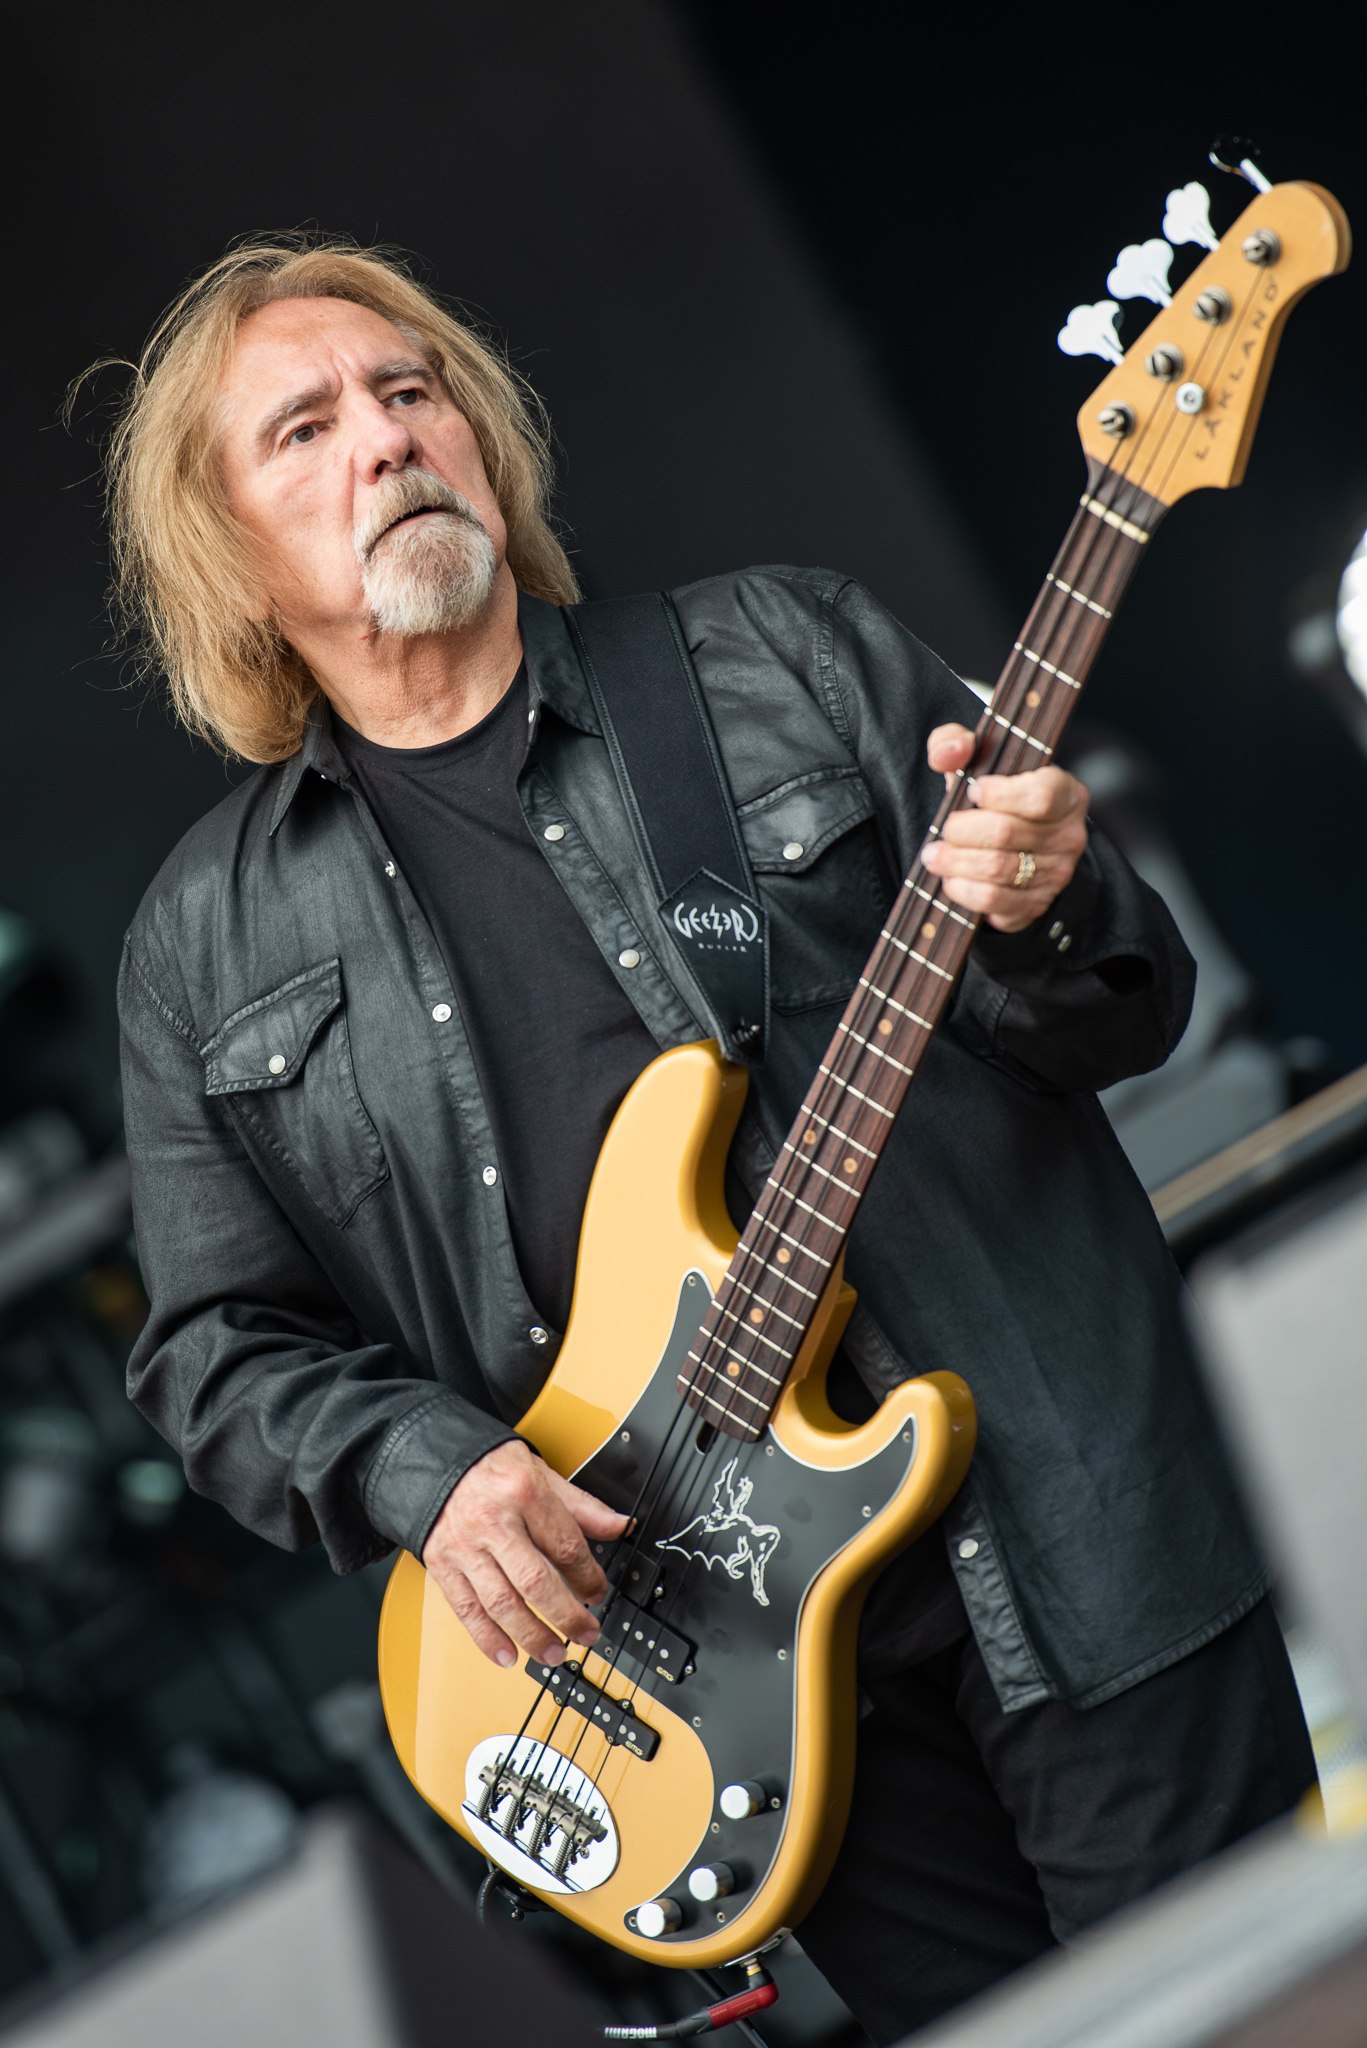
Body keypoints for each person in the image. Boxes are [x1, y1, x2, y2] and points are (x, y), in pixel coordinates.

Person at [110, 238, 1314, 2044]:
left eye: (411, 390)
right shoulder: (207, 950)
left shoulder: (783, 656)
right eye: (306, 427)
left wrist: (1051, 904)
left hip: (1072, 1530)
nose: (386, 438)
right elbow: (215, 1350)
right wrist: (438, 1477)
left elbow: (1111, 1023)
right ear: (227, 554)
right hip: (719, 1684)